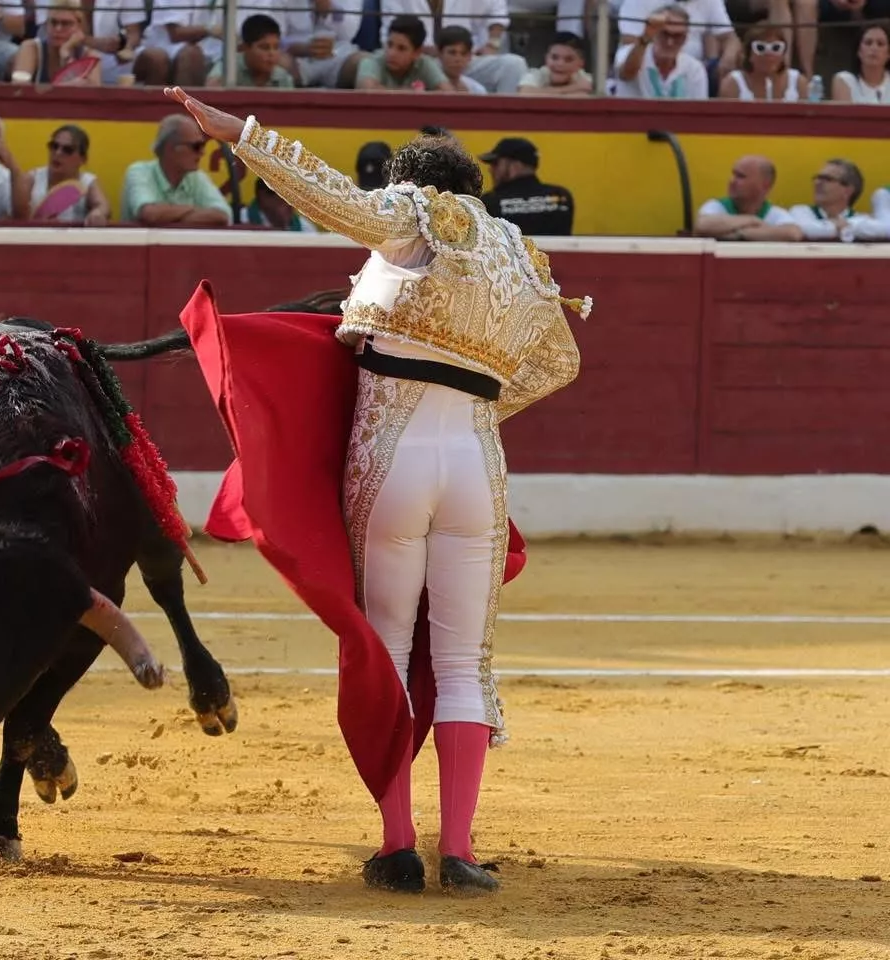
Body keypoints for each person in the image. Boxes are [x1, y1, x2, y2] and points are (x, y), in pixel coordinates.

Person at [163, 85, 587, 895]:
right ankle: (459, 852)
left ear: (417, 188)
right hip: (476, 465)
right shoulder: (523, 257)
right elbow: (559, 361)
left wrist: (244, 135)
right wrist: (483, 386)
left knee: (387, 650)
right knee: (464, 661)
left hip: (392, 463)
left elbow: (331, 196)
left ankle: (397, 847)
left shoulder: (417, 219)